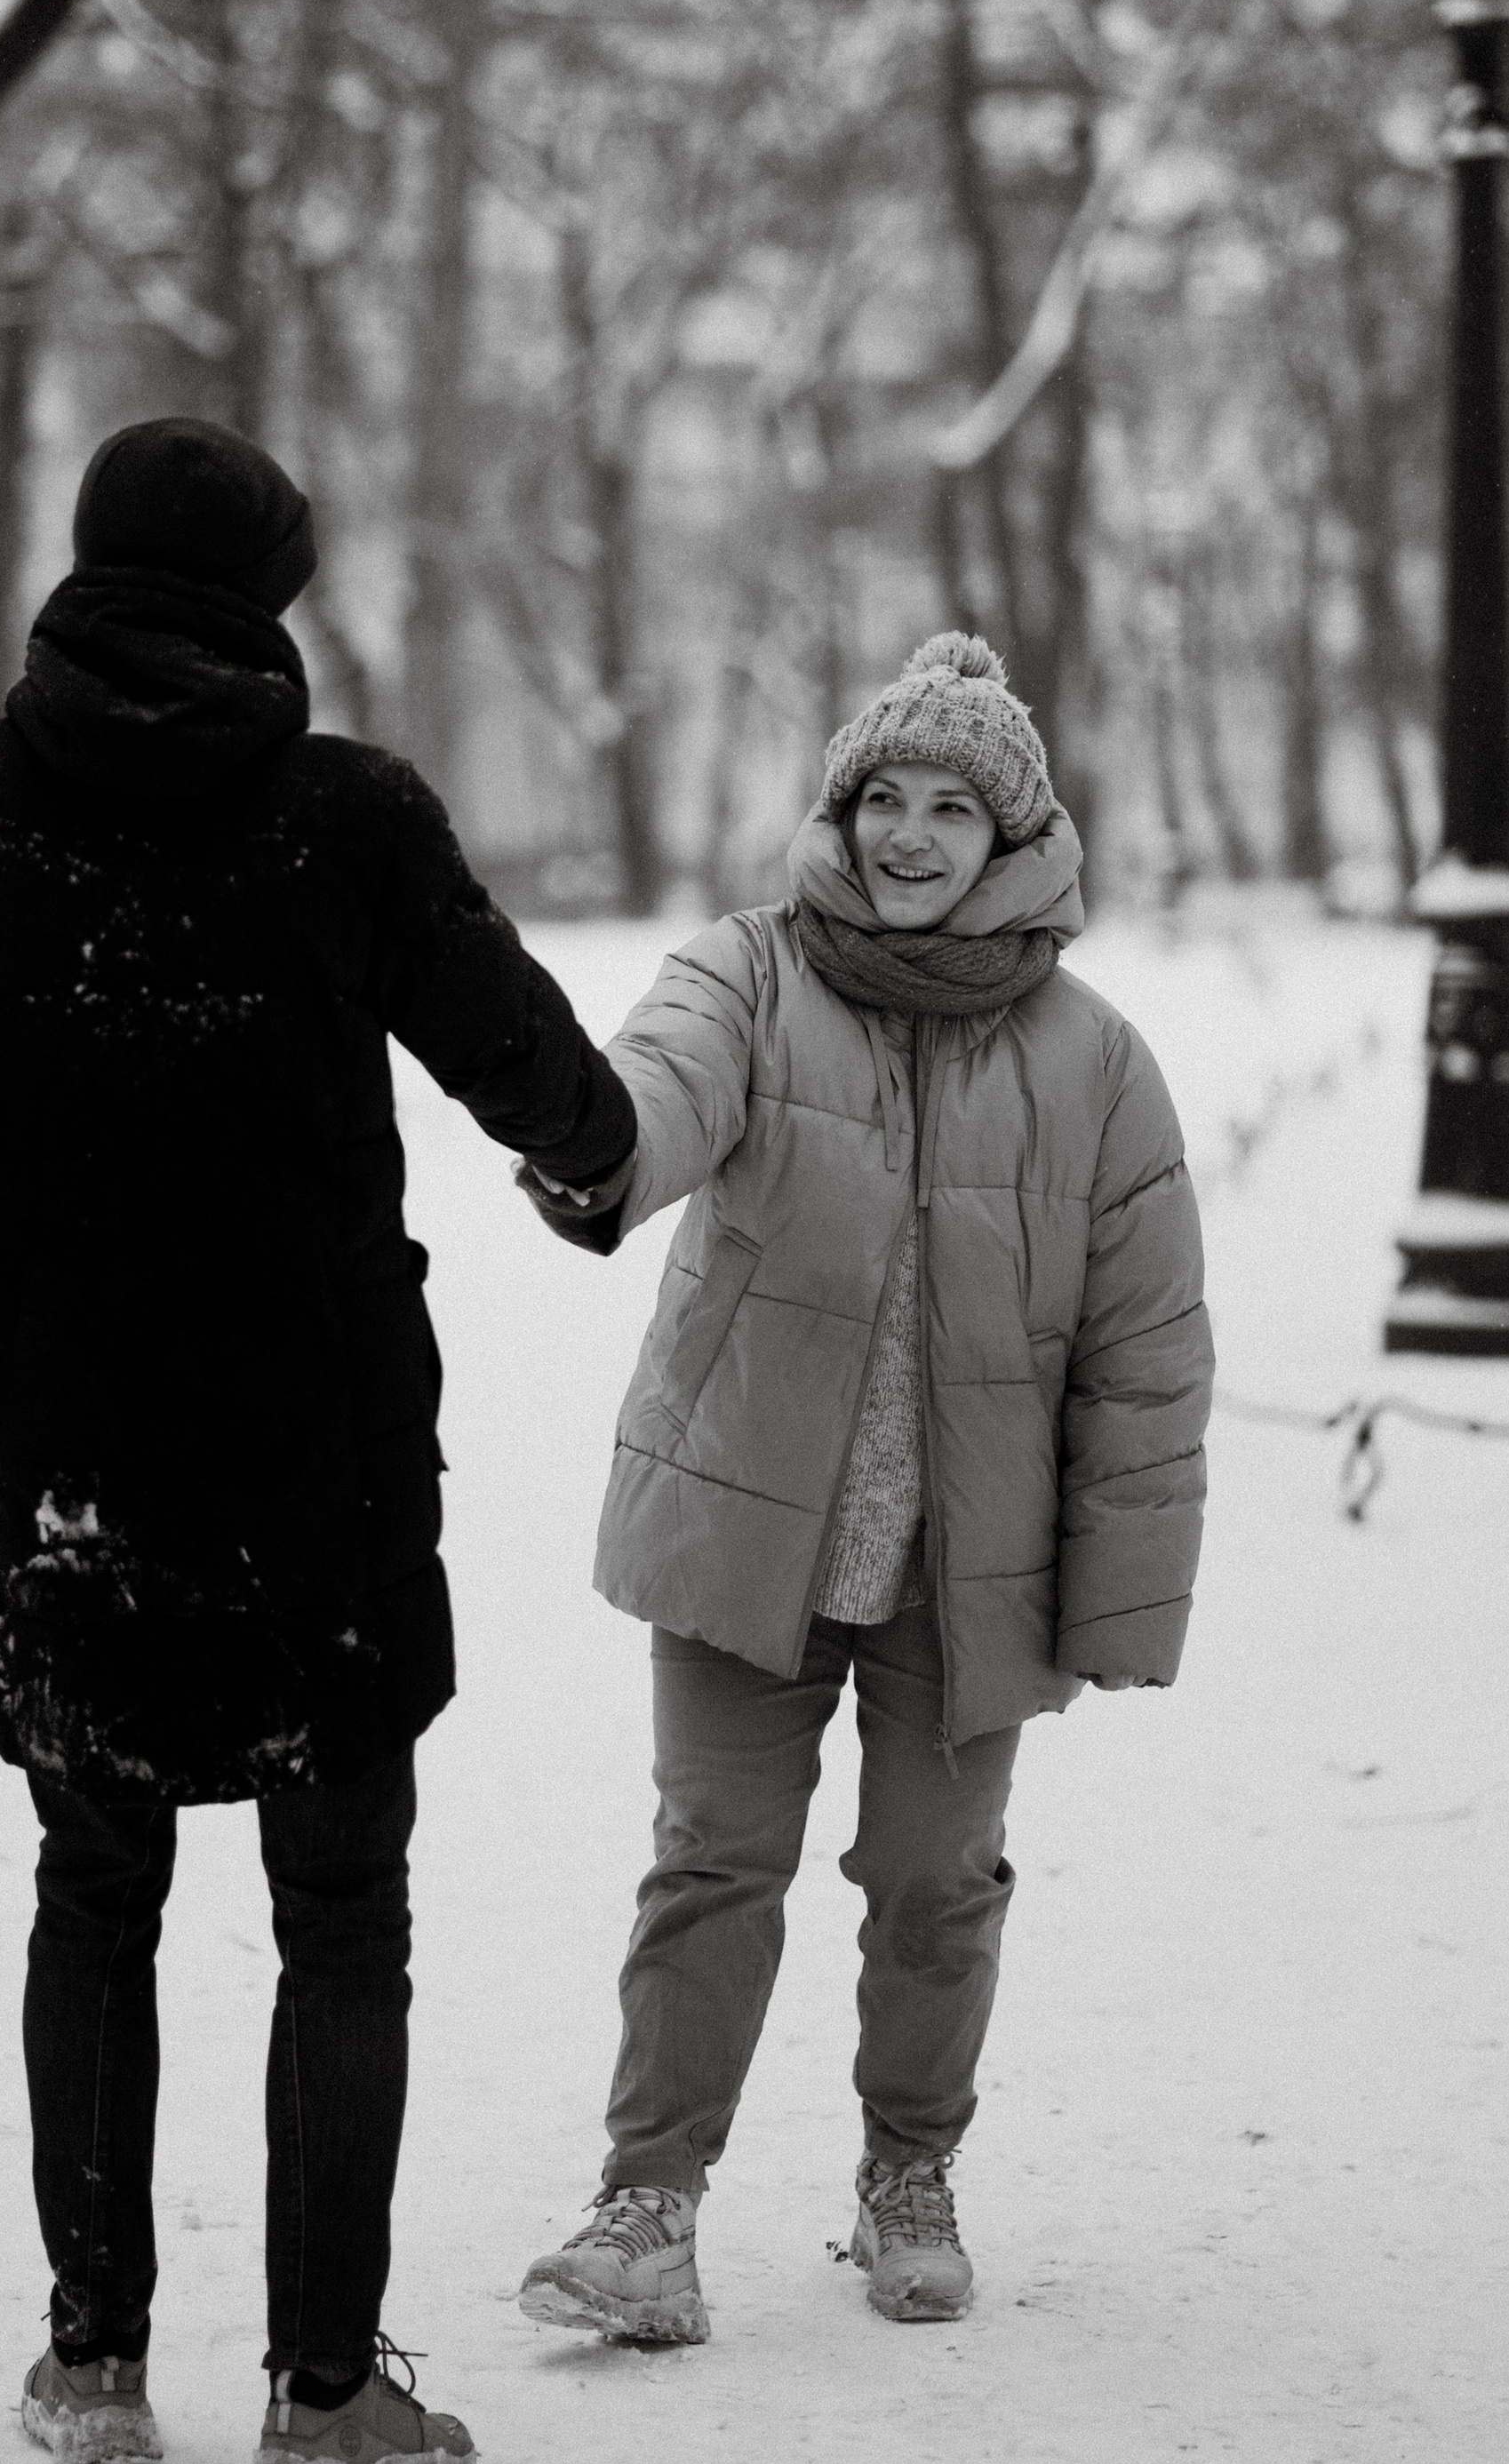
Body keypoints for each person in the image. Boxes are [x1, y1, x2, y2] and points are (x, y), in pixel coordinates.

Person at [0, 414, 635, 2464]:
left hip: (49, 1468)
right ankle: (326, 2403)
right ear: (268, 592)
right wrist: (599, 1155)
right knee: (339, 1913)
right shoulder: (344, 818)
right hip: (312, 1477)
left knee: (93, 1891)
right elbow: (528, 1067)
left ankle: (92, 2363)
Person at [515, 633, 1210, 2344]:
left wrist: (1126, 1598)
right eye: (882, 797)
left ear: (1011, 835)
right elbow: (657, 1092)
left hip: (969, 1564)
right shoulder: (747, 976)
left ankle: (910, 2176)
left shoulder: (1094, 1060)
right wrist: (591, 1142)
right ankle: (648, 2210)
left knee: (933, 1883)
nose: (909, 834)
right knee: (712, 1865)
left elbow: (1147, 1351)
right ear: (839, 814)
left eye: (952, 808)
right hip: (746, 1516)